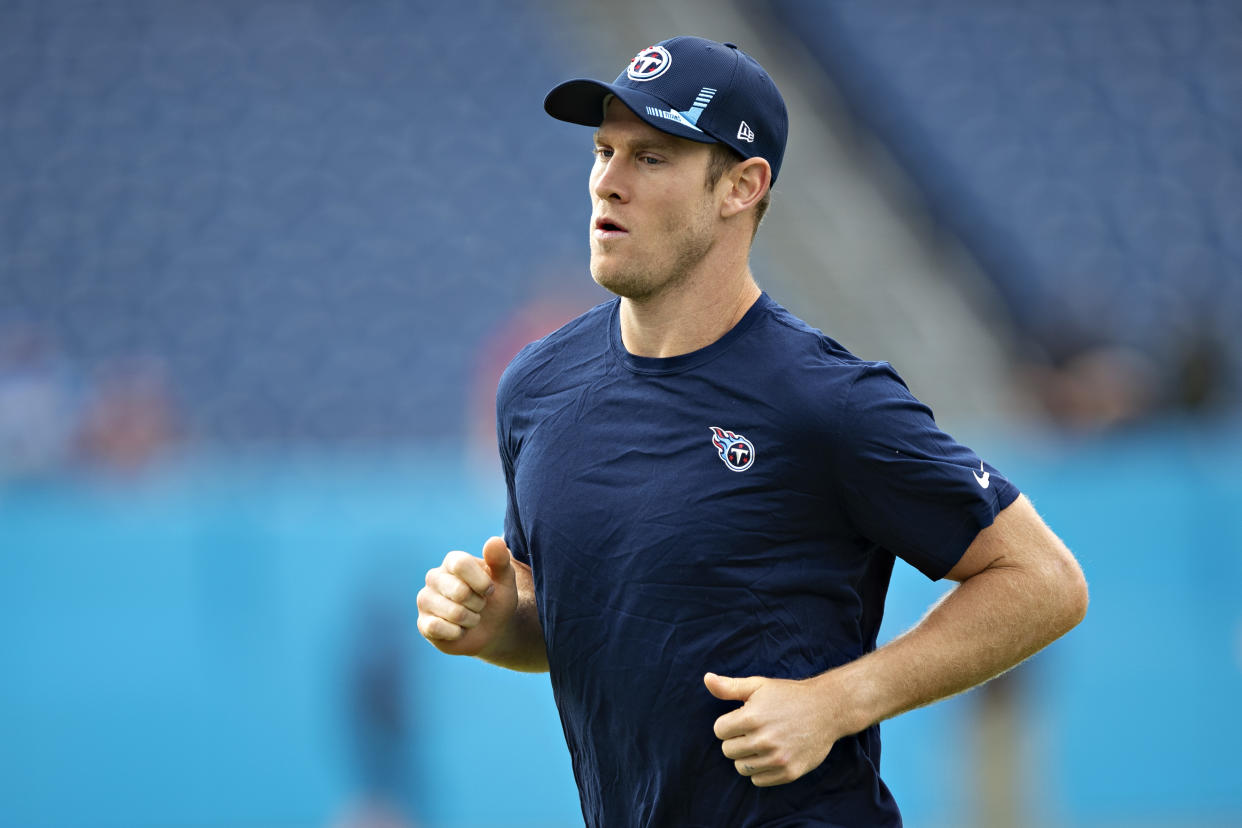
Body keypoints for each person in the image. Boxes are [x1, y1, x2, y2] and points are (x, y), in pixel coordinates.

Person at [417, 36, 1088, 827]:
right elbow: (574, 624)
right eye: (604, 151)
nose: (609, 182)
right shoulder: (535, 389)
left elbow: (1044, 581)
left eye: (652, 158)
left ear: (742, 185)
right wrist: (503, 625)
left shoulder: (826, 399)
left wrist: (837, 701)